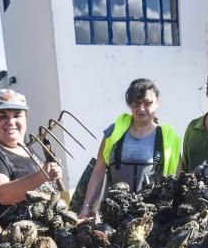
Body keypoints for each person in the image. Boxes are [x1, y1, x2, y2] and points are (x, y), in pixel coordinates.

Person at [77, 78, 183, 219]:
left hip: (152, 217)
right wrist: (86, 207)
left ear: (157, 101)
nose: (141, 109)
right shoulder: (113, 132)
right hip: (113, 214)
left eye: (147, 103)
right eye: (136, 104)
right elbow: (99, 170)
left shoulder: (169, 139)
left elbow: (177, 179)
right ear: (129, 104)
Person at [0, 89, 63, 222]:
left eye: (17, 115)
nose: (11, 122)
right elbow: (2, 194)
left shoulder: (27, 149)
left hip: (46, 230)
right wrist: (42, 175)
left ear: (26, 119)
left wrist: (54, 173)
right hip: (11, 237)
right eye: (2, 116)